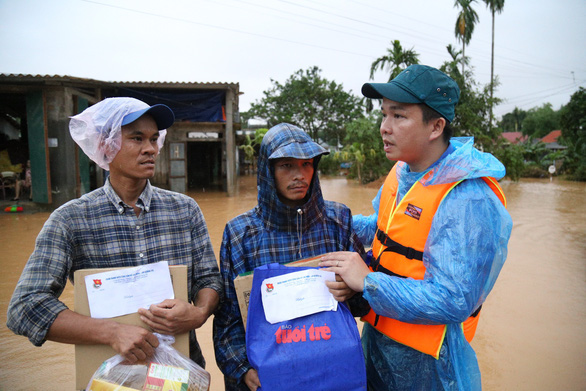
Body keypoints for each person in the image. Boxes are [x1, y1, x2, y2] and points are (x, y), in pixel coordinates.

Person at [319, 65, 513, 390]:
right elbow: (381, 227)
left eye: (399, 116)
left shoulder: (468, 196)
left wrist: (367, 281)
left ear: (436, 126)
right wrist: (328, 219)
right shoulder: (402, 171)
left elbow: (454, 298)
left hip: (431, 363)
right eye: (384, 115)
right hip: (379, 339)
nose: (384, 128)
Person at [7, 97, 222, 369]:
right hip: (108, 377)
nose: (151, 149)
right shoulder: (70, 220)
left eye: (154, 139)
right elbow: (25, 308)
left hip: (181, 372)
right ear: (105, 146)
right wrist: (111, 332)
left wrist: (199, 313)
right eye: (137, 139)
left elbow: (209, 279)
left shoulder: (185, 210)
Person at [213, 123, 365, 391]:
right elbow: (228, 317)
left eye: (307, 164)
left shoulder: (338, 222)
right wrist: (243, 370)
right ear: (268, 171)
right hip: (269, 375)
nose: (300, 175)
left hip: (330, 370)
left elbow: (366, 302)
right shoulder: (241, 234)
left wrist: (353, 291)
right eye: (287, 166)